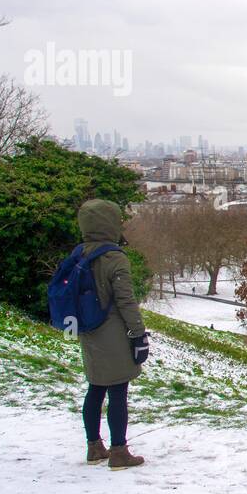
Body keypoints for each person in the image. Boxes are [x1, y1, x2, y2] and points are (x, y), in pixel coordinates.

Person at [75, 200, 147, 470]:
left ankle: (94, 446)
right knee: (118, 389)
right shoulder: (113, 257)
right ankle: (119, 451)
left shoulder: (79, 254)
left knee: (95, 387)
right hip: (114, 332)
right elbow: (126, 300)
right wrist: (138, 334)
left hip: (89, 330)